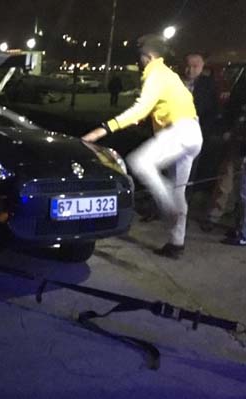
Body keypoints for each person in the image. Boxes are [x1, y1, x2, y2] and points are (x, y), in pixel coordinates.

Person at [82, 34, 202, 259]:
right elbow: (156, 109)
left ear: (148, 56)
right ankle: (176, 243)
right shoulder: (169, 75)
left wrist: (103, 129)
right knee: (179, 190)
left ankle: (168, 206)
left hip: (178, 132)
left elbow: (140, 108)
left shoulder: (155, 73)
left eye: (140, 57)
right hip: (193, 133)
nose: (138, 62)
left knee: (139, 163)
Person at [200, 71, 246, 232]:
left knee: (241, 186)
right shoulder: (242, 83)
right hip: (237, 138)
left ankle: (240, 224)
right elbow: (232, 106)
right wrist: (227, 129)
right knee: (226, 178)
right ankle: (214, 215)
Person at [182, 53, 218, 198]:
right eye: (188, 66)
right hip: (171, 134)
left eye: (195, 66)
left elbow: (212, 111)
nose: (190, 70)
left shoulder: (208, 85)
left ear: (202, 66)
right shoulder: (175, 82)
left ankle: (184, 202)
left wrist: (202, 132)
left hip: (194, 135)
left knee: (189, 173)